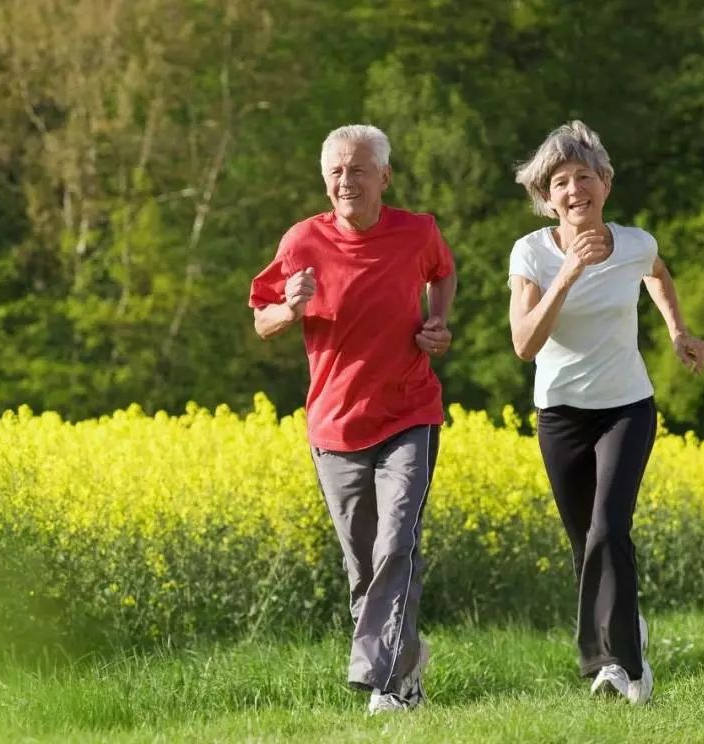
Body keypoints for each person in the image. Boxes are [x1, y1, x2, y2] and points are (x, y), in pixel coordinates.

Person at [249, 124, 457, 715]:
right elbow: (262, 321)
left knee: (398, 542)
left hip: (409, 412)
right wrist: (289, 307)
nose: (347, 180)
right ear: (324, 179)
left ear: (384, 177)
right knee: (364, 566)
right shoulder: (301, 242)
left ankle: (383, 683)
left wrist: (437, 324)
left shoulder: (418, 232)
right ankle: (407, 664)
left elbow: (443, 273)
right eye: (337, 171)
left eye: (359, 169)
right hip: (335, 426)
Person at [507, 120, 704, 705]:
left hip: (627, 407)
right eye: (561, 182)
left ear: (606, 184)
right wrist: (569, 274)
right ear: (547, 199)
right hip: (561, 416)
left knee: (609, 530)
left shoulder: (635, 242)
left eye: (585, 177)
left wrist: (677, 331)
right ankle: (625, 635)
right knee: (585, 545)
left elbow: (658, 275)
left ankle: (623, 670)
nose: (575, 190)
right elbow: (524, 344)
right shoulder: (531, 255)